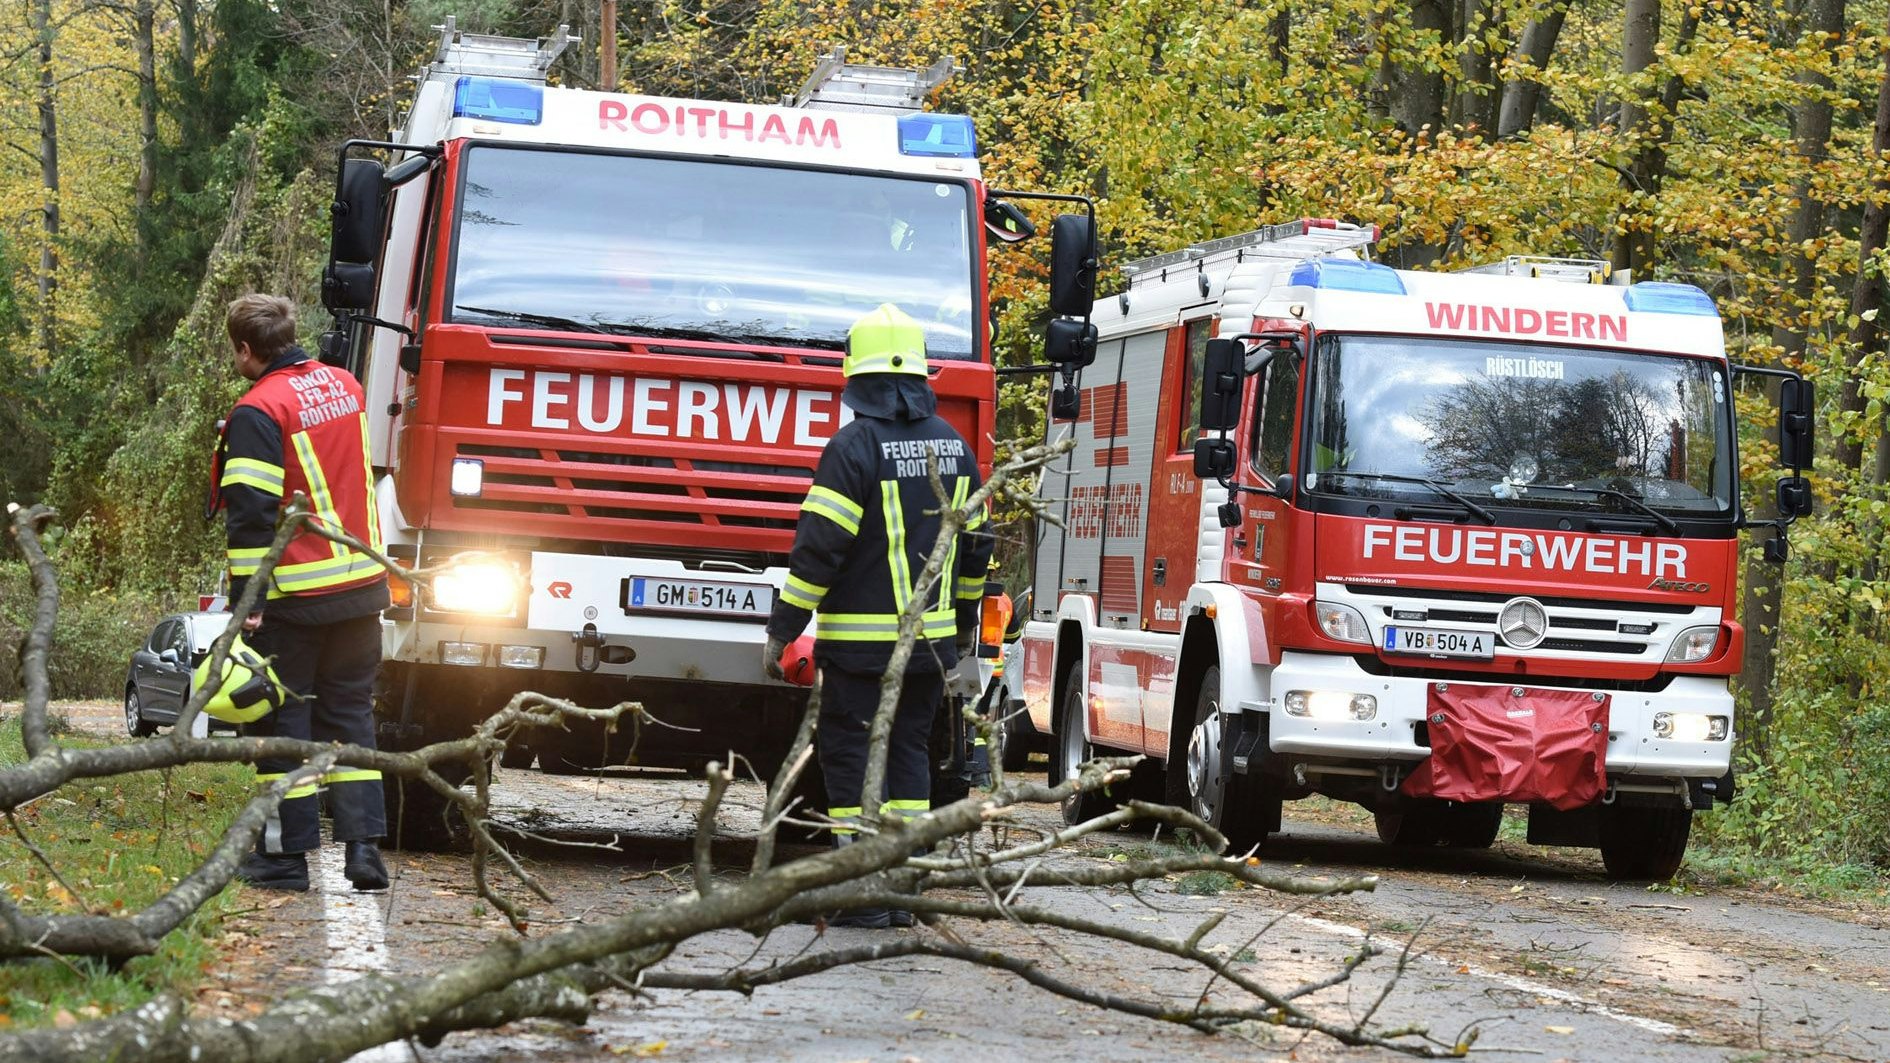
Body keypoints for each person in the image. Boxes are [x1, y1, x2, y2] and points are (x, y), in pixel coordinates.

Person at [763, 303, 993, 928]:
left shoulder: (853, 446)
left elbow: (820, 548)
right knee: (908, 759)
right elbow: (976, 546)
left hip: (861, 654)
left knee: (851, 759)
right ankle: (903, 889)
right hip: (930, 651)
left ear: (854, 377)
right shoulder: (954, 446)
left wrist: (784, 626)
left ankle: (862, 896)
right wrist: (964, 623)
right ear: (921, 376)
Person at [207, 293, 390, 893]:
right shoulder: (345, 385)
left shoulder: (258, 410)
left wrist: (248, 603)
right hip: (362, 589)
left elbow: (252, 515)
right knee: (350, 718)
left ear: (244, 348)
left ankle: (285, 861)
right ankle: (365, 855)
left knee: (285, 724)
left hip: (295, 598)